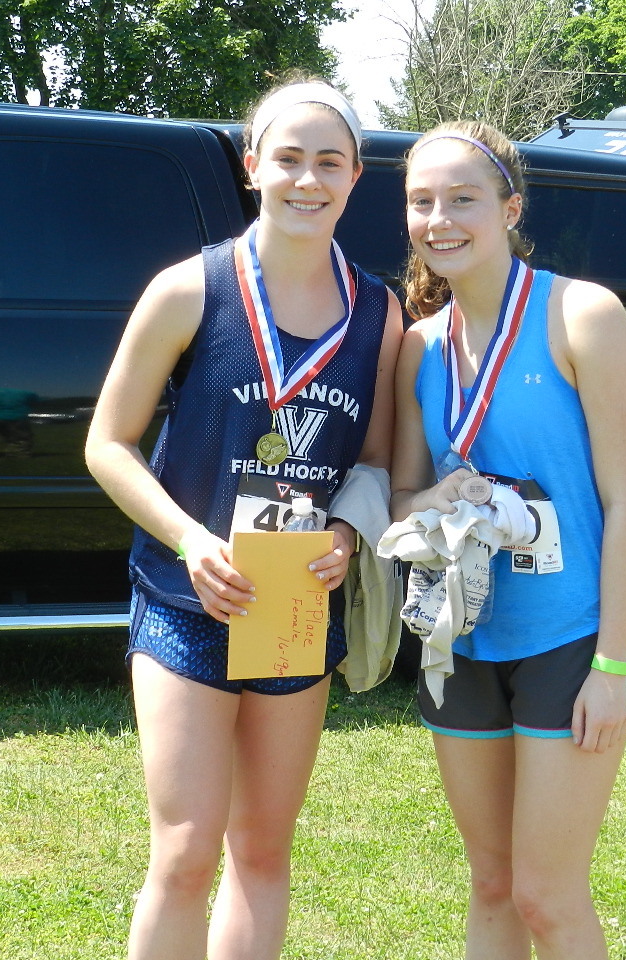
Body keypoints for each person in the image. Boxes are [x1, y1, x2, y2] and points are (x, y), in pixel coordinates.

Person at [84, 78, 402, 960]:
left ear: (355, 176)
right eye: (288, 158)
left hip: (294, 608)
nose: (308, 179)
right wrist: (190, 539)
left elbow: (376, 460)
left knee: (261, 850)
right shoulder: (188, 289)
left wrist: (346, 534)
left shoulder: (379, 312)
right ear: (253, 165)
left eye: (329, 162)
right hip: (188, 600)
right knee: (186, 851)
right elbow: (108, 445)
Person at [389, 120, 626, 959]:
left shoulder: (582, 315)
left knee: (548, 894)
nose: (440, 220)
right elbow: (401, 496)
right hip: (459, 635)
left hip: (570, 640)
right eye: (422, 202)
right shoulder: (419, 346)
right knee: (491, 883)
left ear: (510, 209)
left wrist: (612, 667)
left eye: (462, 199)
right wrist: (440, 497)